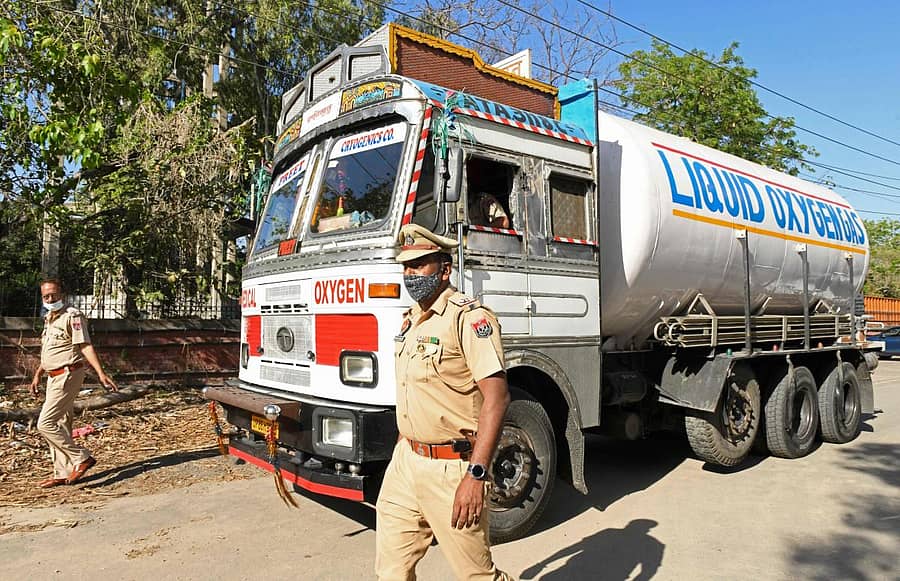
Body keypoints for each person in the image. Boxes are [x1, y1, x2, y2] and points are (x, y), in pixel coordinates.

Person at [375, 224, 512, 580]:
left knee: (475, 576)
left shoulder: (468, 319)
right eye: (406, 266)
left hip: (452, 469)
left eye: (419, 265)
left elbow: (497, 399)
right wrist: (402, 447)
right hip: (406, 463)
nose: (410, 274)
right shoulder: (411, 322)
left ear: (444, 269)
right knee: (391, 571)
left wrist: (476, 476)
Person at [28, 279, 118, 488]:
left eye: (53, 295)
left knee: (45, 423)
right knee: (60, 423)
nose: (50, 299)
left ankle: (81, 457)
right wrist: (38, 374)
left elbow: (85, 345)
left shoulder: (73, 316)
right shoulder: (49, 318)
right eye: (46, 296)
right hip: (53, 375)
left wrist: (100, 373)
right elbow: (51, 350)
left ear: (63, 294)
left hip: (68, 374)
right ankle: (62, 472)